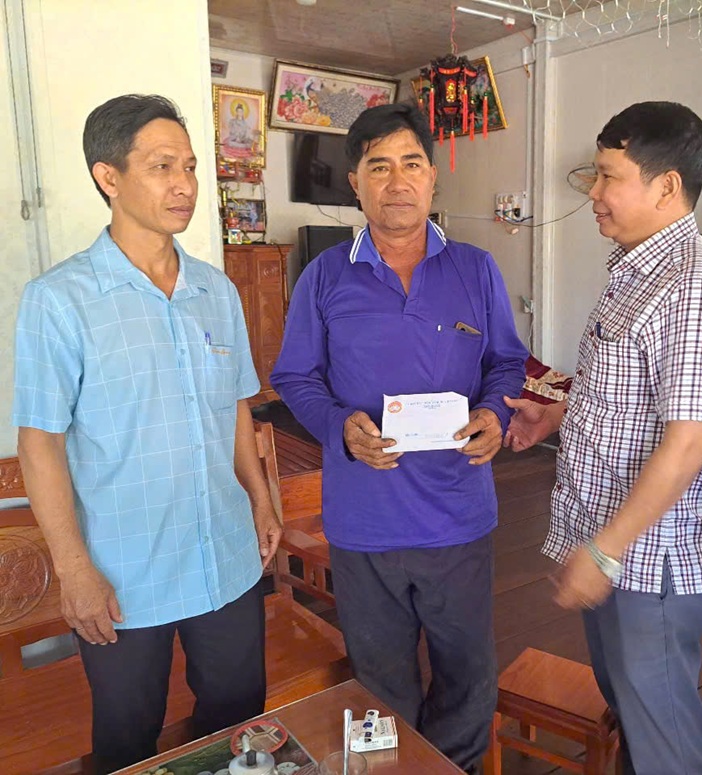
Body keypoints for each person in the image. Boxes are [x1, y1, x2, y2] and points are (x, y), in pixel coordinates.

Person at [12, 94, 281, 774]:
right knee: (128, 742)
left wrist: (260, 499)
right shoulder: (60, 301)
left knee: (239, 726)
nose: (184, 184)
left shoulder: (215, 290)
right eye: (162, 167)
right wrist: (74, 569)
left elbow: (235, 407)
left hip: (225, 556)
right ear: (108, 177)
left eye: (189, 166)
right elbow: (41, 444)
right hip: (124, 575)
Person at [269, 102, 528, 773]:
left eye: (412, 163)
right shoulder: (325, 276)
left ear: (433, 178)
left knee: (468, 678)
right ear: (355, 183)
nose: (397, 181)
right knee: (380, 688)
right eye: (378, 166)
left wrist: (495, 413)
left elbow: (506, 362)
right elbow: (295, 375)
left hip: (457, 516)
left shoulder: (476, 269)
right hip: (365, 522)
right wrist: (337, 425)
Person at [504, 102, 702, 774]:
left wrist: (605, 551)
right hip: (614, 548)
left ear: (666, 186)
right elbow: (628, 392)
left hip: (649, 561)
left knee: (665, 745)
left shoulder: (694, 287)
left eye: (609, 176)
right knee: (633, 719)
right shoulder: (636, 271)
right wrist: (557, 415)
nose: (594, 192)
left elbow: (690, 441)